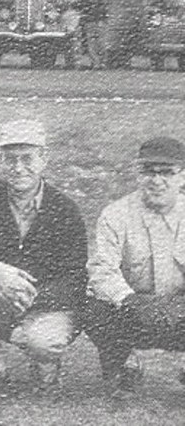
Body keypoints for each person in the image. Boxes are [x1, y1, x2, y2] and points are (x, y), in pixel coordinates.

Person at [0, 119, 88, 399]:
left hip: (48, 305)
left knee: (43, 342)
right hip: (2, 294)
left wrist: (33, 297)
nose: (18, 167)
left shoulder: (65, 208)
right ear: (1, 160)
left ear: (43, 158)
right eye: (10, 159)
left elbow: (76, 277)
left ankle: (46, 364)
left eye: (27, 158)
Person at [81, 136, 185, 398]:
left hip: (179, 309)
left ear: (182, 176)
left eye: (167, 173)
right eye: (148, 171)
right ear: (138, 174)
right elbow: (102, 271)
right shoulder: (115, 214)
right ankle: (126, 367)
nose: (157, 180)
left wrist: (176, 306)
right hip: (133, 310)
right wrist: (130, 301)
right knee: (94, 306)